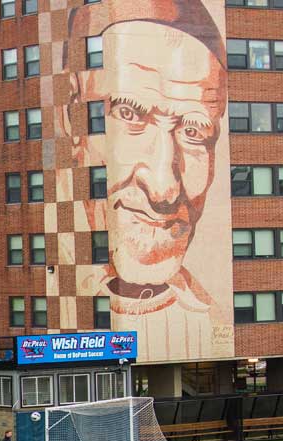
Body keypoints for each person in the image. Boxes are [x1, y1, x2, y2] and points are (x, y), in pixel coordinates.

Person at [62, 0, 232, 363]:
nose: (164, 189)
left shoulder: (211, 318)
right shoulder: (58, 283)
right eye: (130, 115)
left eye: (194, 132)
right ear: (73, 120)